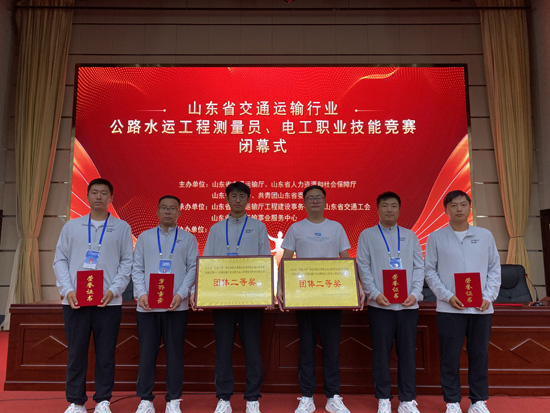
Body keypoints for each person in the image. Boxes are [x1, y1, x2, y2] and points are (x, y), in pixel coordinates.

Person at [277, 185, 364, 413]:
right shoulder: (296, 228)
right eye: (310, 198)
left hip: (332, 297)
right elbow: (286, 261)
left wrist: (356, 286)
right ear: (304, 202)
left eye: (318, 197)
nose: (315, 201)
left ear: (325, 201)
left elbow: (346, 260)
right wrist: (280, 287)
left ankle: (333, 396)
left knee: (331, 348)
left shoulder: (336, 228)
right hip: (304, 297)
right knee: (306, 348)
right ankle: (307, 396)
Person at [53, 178, 133, 413]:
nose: (99, 196)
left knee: (106, 353)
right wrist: (67, 290)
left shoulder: (122, 228)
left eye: (104, 193)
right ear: (87, 196)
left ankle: (103, 400)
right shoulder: (72, 226)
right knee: (76, 353)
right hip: (75, 301)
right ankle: (76, 401)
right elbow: (60, 260)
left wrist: (114, 290)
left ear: (111, 198)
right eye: (94, 192)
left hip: (108, 302)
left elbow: (126, 262)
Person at [424, 190, 501, 413]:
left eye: (463, 204)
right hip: (450, 309)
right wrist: (447, 296)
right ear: (445, 210)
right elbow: (430, 271)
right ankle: (452, 401)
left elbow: (494, 268)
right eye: (453, 205)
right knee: (450, 356)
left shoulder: (484, 235)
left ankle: (478, 401)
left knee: (479, 355)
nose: (459, 209)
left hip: (481, 308)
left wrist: (488, 296)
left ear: (469, 207)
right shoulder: (436, 237)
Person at [199, 181, 271, 413]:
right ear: (227, 199)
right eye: (234, 196)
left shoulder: (258, 226)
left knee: (252, 348)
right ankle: (224, 398)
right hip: (222, 298)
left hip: (251, 297)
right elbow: (208, 261)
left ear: (248, 200)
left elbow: (265, 260)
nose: (238, 200)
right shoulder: (216, 229)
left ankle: (252, 398)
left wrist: (267, 293)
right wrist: (202, 293)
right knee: (223, 349)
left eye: (242, 196)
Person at [356, 192, 424, 413]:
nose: (389, 210)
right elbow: (363, 266)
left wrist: (416, 293)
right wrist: (374, 293)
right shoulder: (367, 235)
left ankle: (407, 400)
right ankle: (383, 398)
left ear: (399, 210)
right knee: (381, 353)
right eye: (385, 205)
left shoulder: (410, 236)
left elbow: (419, 267)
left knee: (407, 353)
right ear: (378, 209)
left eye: (394, 206)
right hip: (380, 306)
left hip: (407, 306)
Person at [132, 195, 199, 413]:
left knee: (175, 354)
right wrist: (141, 293)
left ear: (179, 212)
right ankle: (146, 400)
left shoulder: (188, 238)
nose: (168, 211)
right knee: (146, 354)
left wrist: (182, 294)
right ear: (157, 212)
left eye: (172, 208)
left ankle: (173, 400)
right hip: (148, 307)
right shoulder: (144, 237)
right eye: (164, 208)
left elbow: (193, 268)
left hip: (176, 306)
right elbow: (137, 268)